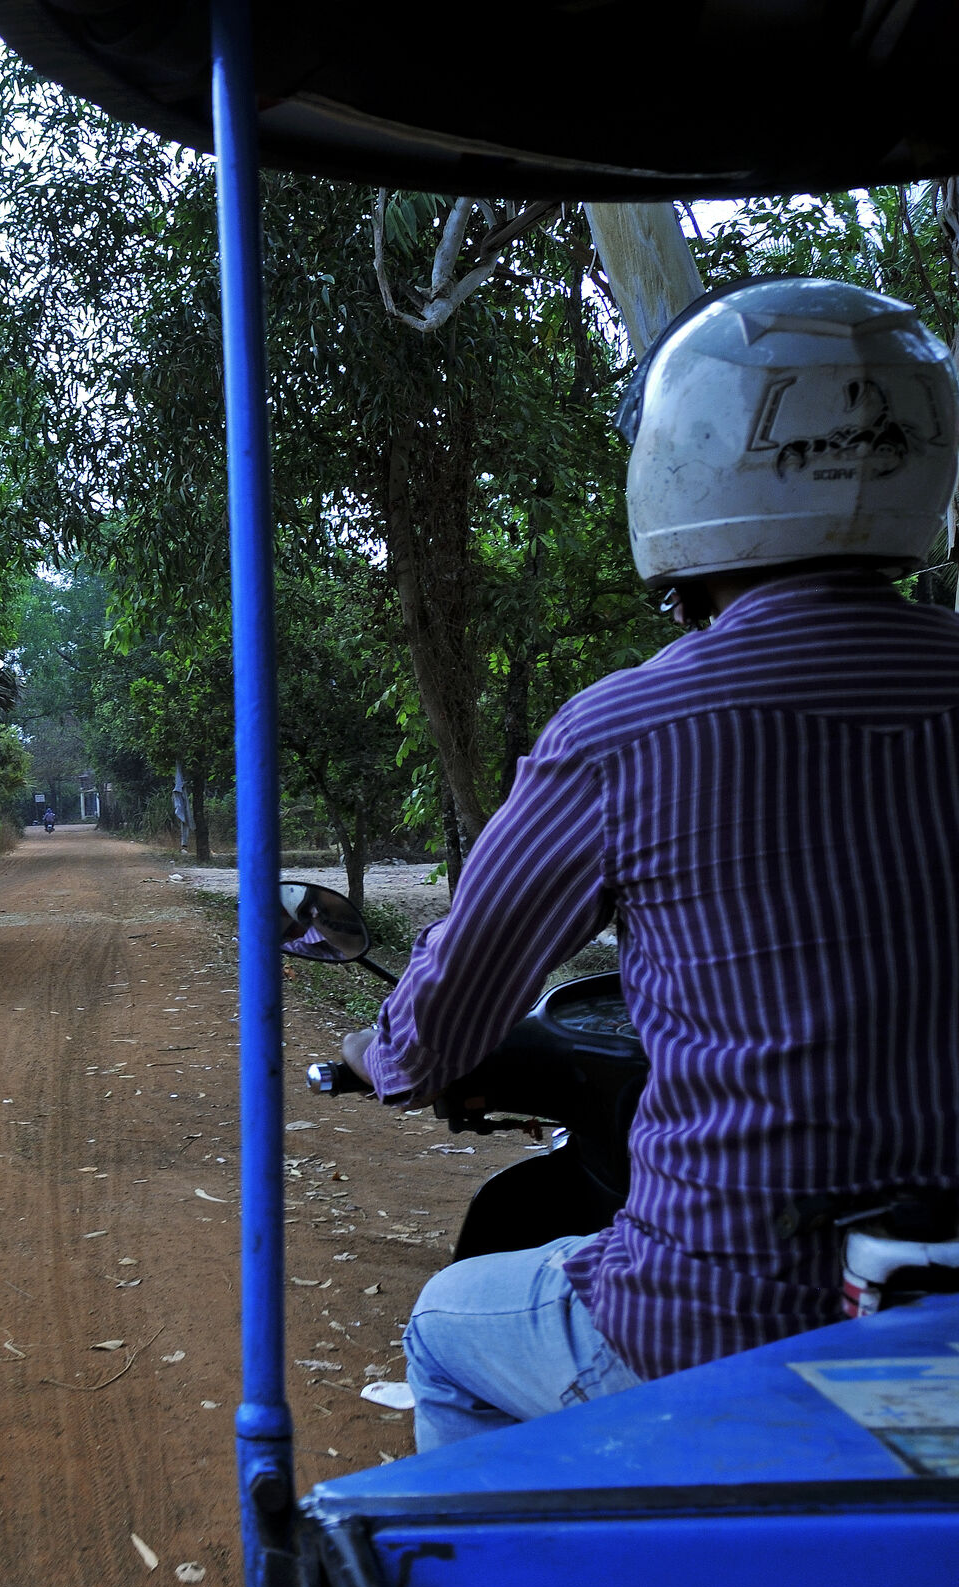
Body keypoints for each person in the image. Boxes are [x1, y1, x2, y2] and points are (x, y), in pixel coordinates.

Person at [339, 276, 959, 1451]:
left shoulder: (628, 733)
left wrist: (390, 1052)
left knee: (444, 1329)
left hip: (720, 1316)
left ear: (685, 473)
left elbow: (449, 1009)